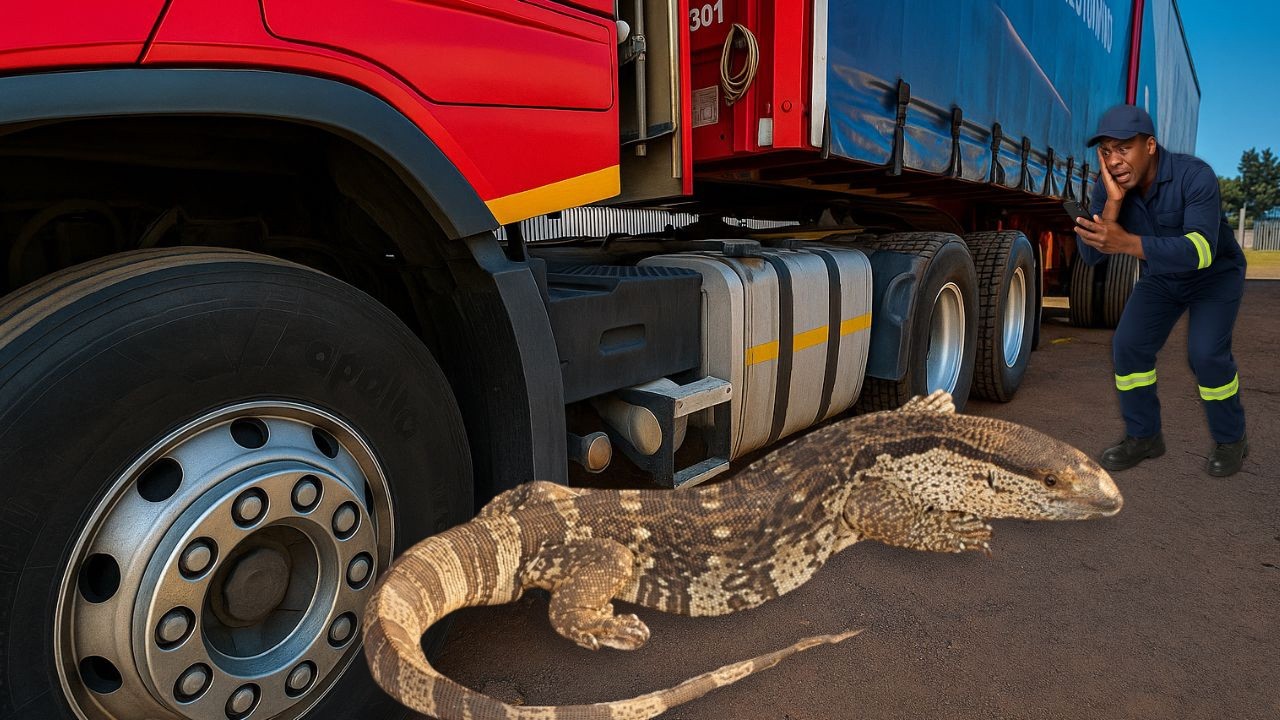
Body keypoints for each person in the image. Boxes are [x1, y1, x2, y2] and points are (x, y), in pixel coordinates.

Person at [1074, 104, 1248, 477]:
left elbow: (1201, 251)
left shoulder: (1195, 176)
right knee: (1128, 346)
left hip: (1213, 277)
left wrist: (1127, 242)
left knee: (1205, 354)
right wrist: (1113, 206)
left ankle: (1232, 439)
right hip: (1162, 278)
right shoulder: (1108, 187)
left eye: (1124, 148)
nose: (1114, 160)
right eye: (1106, 151)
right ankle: (1145, 437)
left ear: (1150, 146)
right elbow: (1090, 255)